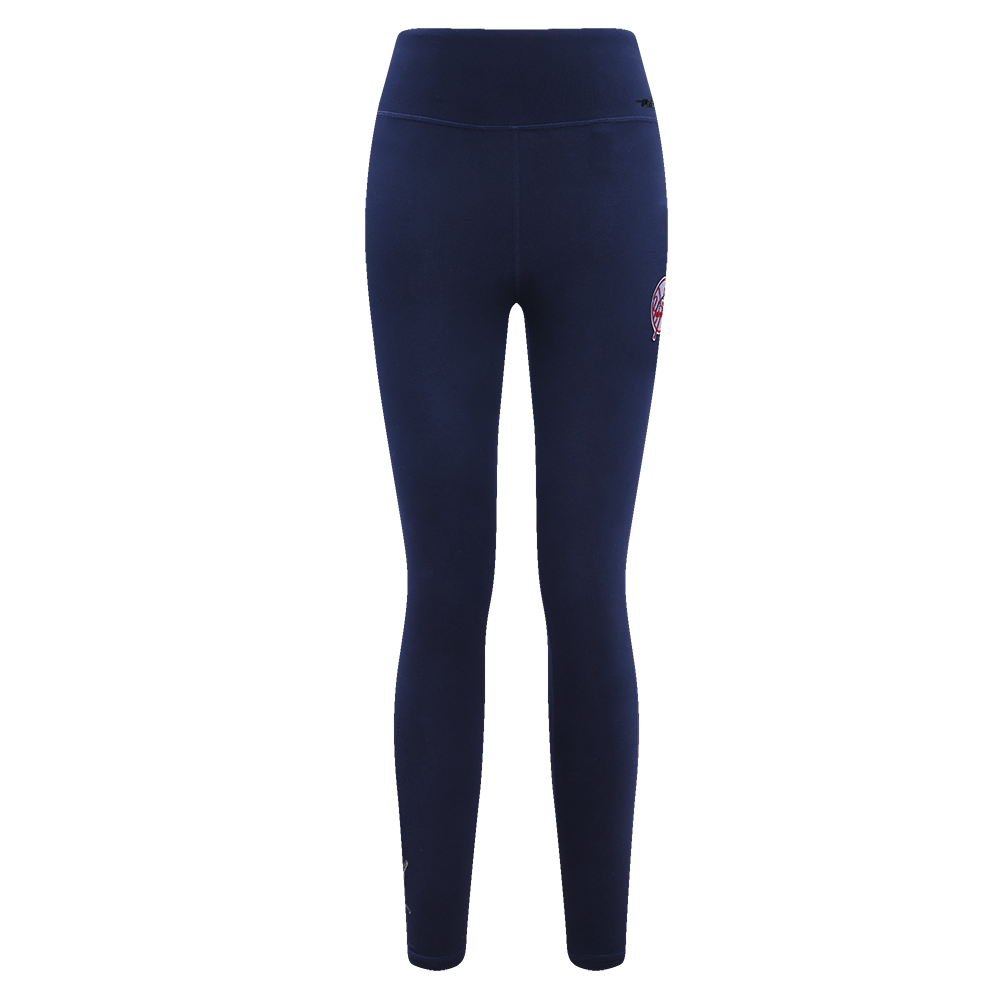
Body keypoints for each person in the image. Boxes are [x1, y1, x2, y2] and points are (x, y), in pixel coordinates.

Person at [366, 28, 667, 971]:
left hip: (607, 166)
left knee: (587, 586)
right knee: (445, 585)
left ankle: (602, 970)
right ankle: (431, 968)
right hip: (429, 158)